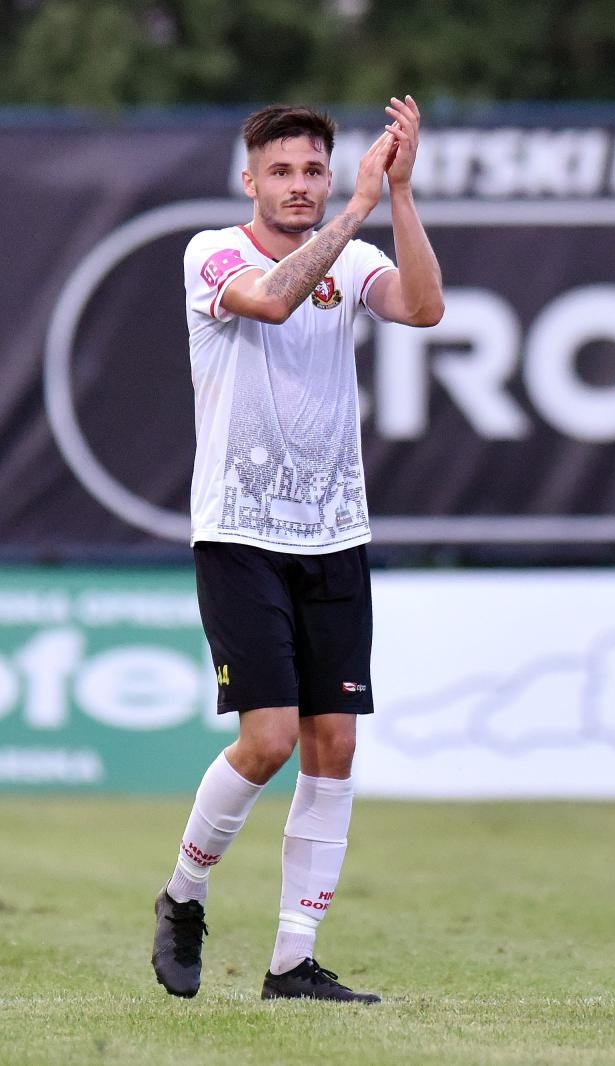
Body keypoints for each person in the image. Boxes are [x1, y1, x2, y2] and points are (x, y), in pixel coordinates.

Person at [151, 97, 444, 1003]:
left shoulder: (354, 259)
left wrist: (397, 195)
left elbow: (425, 308)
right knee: (270, 740)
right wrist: (355, 210)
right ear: (250, 181)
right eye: (282, 171)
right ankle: (184, 895)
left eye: (314, 171)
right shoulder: (215, 253)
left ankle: (292, 961)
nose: (300, 186)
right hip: (240, 533)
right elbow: (273, 304)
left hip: (335, 534)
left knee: (334, 746)